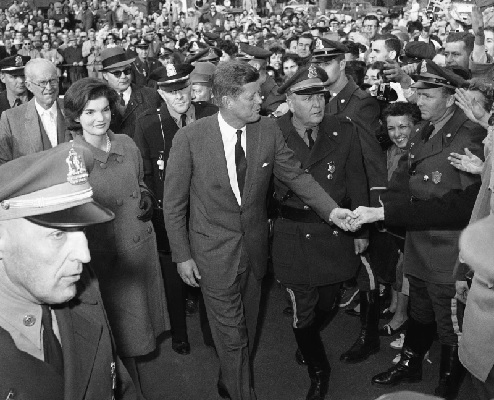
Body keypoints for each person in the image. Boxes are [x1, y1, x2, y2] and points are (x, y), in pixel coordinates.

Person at [162, 60, 358, 400]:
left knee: (247, 328)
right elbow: (174, 204)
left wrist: (333, 211)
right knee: (233, 336)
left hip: (253, 252)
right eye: (252, 96)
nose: (260, 102)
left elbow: (296, 176)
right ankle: (241, 392)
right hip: (211, 255)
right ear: (227, 99)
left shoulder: (267, 131)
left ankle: (229, 378)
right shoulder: (190, 137)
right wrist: (182, 255)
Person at [352, 60, 486, 399]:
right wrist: (383, 211)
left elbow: (469, 205)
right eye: (418, 93)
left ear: (450, 97)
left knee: (449, 320)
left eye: (426, 95)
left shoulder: (470, 134)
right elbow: (405, 180)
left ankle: (448, 380)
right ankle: (411, 361)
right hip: (419, 244)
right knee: (420, 309)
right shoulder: (427, 128)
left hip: (449, 249)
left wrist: (388, 213)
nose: (418, 100)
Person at [0, 142, 136, 399]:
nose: (84, 256)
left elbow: (117, 384)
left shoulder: (85, 289)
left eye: (82, 229)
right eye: (58, 234)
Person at [64, 77, 169, 398]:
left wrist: (147, 195)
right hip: (107, 265)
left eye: (105, 109)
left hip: (141, 253)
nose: (100, 118)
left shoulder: (126, 143)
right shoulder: (70, 158)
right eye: (90, 112)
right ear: (76, 118)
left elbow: (139, 181)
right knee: (117, 339)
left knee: (136, 335)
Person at [273, 64, 369, 400]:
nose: (318, 103)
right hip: (292, 233)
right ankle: (318, 369)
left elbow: (357, 178)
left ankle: (310, 340)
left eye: (321, 95)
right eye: (307, 96)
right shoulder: (271, 132)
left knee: (328, 301)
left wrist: (361, 229)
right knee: (303, 311)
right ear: (289, 99)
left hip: (335, 231)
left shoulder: (342, 128)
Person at [313, 39, 389, 364]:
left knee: (367, 274)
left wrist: (370, 218)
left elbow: (374, 166)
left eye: (327, 62)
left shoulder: (361, 105)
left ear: (342, 63)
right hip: (335, 204)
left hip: (359, 208)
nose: (320, 69)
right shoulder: (325, 101)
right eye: (316, 62)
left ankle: (368, 336)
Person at [134, 63, 218, 355]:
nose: (180, 96)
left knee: (210, 272)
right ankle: (179, 333)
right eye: (171, 91)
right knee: (174, 278)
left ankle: (211, 329)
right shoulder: (148, 124)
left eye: (183, 88)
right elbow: (145, 175)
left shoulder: (210, 115)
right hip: (170, 214)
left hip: (208, 211)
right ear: (160, 93)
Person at [0, 58, 68, 165]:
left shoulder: (73, 108)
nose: (49, 87)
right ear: (29, 86)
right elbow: (4, 165)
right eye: (42, 83)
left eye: (53, 81)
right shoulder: (11, 119)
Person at [100, 47, 161, 138]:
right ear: (105, 75)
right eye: (117, 73)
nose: (124, 76)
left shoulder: (150, 95)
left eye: (127, 71)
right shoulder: (98, 100)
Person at [237, 43, 286, 116]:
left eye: (243, 64)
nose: (239, 68)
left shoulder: (274, 95)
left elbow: (273, 125)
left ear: (256, 66)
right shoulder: (243, 83)